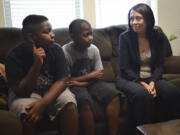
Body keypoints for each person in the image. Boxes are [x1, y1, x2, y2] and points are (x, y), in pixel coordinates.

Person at [5, 15, 78, 135]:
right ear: (31, 37)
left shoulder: (56, 49)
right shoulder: (13, 56)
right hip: (26, 94)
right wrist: (37, 64)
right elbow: (22, 92)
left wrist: (42, 104)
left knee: (69, 104)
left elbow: (63, 80)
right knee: (27, 112)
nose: (52, 35)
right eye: (47, 32)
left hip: (52, 89)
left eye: (51, 30)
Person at [116, 3, 180, 131]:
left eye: (138, 18)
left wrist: (152, 82)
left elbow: (160, 65)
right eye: (131, 18)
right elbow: (125, 67)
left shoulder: (159, 37)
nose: (134, 22)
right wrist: (145, 85)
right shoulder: (125, 38)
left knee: (172, 92)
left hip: (152, 77)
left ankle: (166, 130)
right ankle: (143, 131)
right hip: (129, 78)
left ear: (148, 19)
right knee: (143, 95)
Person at [62, 19, 121, 135]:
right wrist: (88, 76)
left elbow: (98, 75)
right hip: (75, 86)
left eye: (91, 34)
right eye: (85, 35)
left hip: (90, 83)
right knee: (85, 103)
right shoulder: (64, 52)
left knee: (114, 96)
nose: (90, 38)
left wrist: (82, 82)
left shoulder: (93, 49)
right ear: (73, 36)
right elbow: (65, 80)